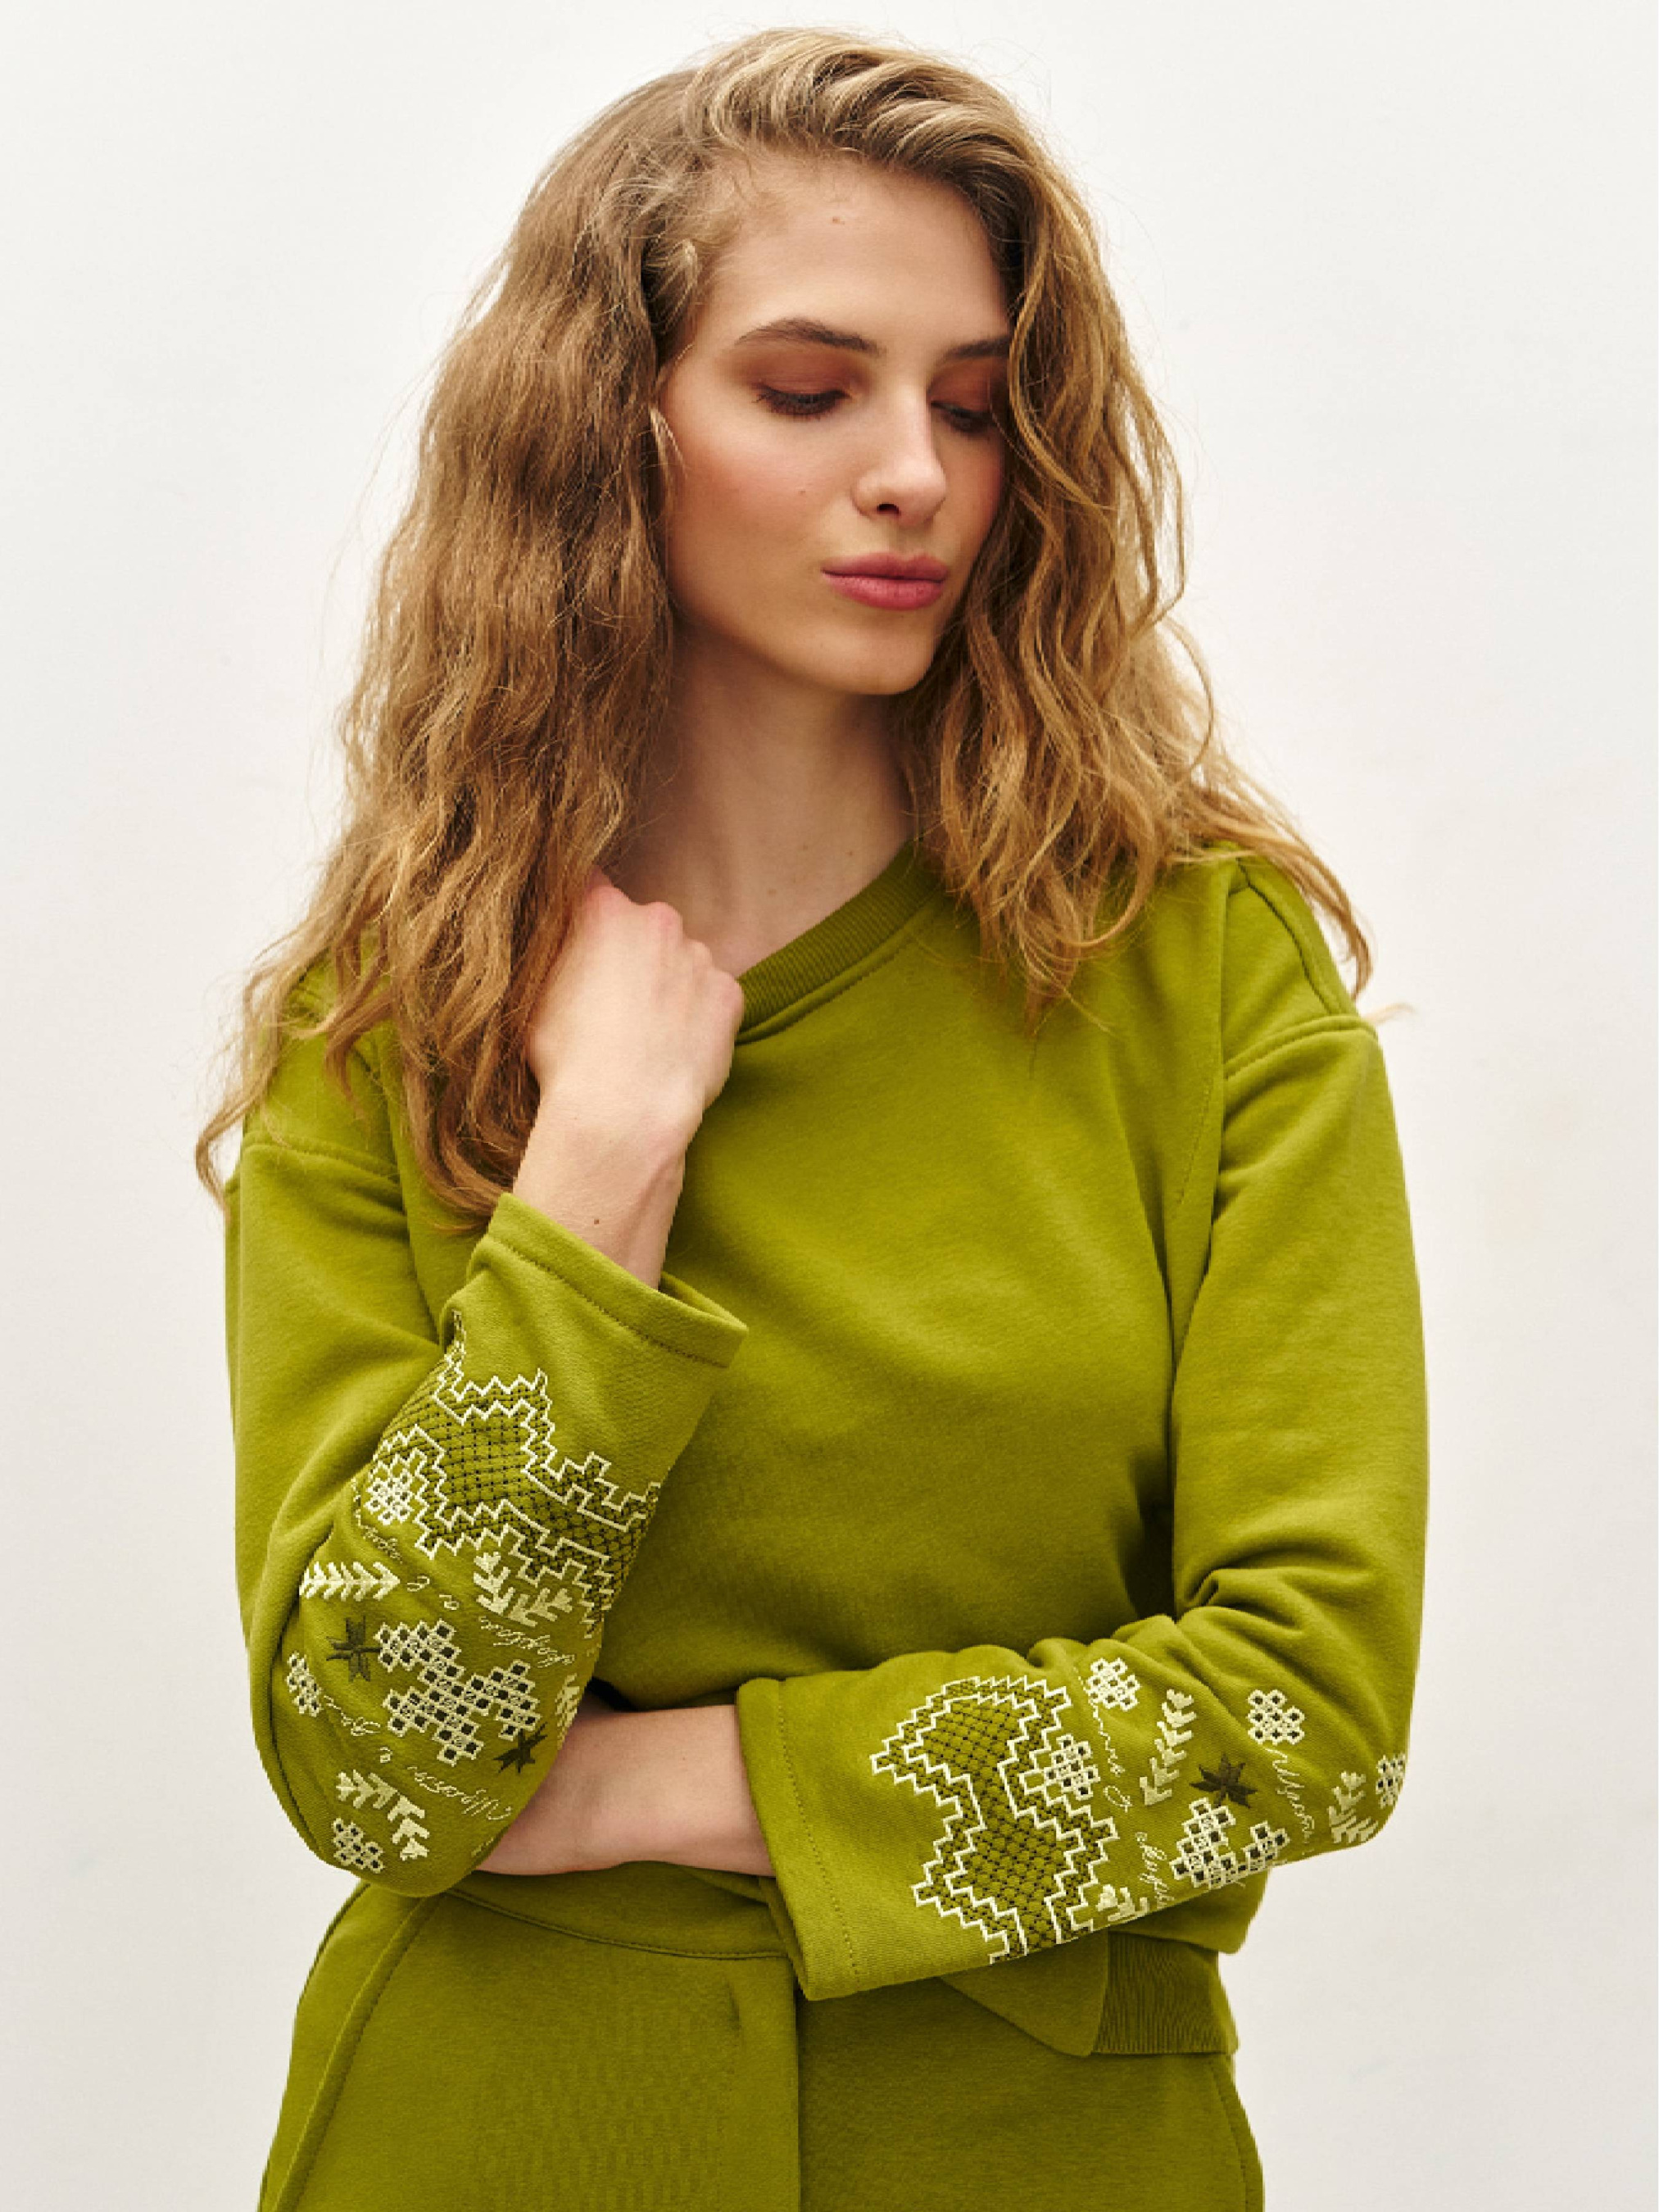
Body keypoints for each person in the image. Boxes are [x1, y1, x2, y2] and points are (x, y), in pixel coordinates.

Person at [198, 26, 1429, 2212]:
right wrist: (593, 1182)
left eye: (972, 404)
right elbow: (381, 1770)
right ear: (610, 429)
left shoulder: (1203, 972)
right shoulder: (391, 1023)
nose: (914, 474)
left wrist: (660, 1785)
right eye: (806, 390)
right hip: (495, 2136)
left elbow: (1303, 1714)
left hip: (1048, 2153)